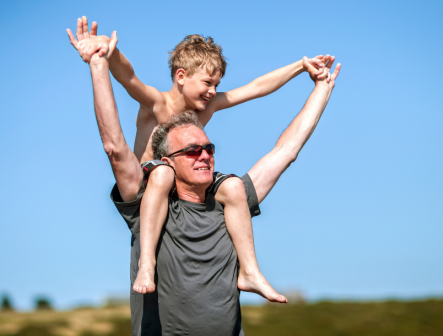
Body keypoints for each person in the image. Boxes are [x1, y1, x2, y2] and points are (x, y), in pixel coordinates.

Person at [86, 28, 340, 335]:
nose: (212, 91)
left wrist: (301, 66)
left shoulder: (206, 108)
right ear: (181, 76)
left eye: (216, 84)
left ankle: (250, 270)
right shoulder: (156, 103)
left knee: (233, 186)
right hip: (155, 177)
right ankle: (147, 262)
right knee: (164, 175)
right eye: (207, 82)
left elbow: (257, 87)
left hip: (184, 183)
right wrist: (107, 54)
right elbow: (128, 78)